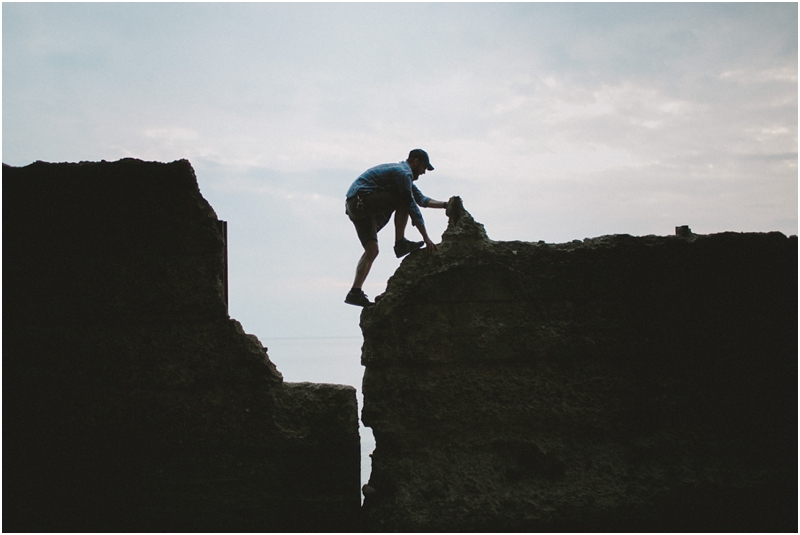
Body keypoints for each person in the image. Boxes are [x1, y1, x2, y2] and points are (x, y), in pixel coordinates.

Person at [344, 149, 449, 307]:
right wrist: (426, 238)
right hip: (362, 199)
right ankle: (400, 243)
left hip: (356, 207)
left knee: (372, 250)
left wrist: (446, 205)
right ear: (415, 161)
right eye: (424, 168)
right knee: (404, 200)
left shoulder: (403, 177)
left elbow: (421, 199)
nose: (423, 173)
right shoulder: (403, 173)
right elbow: (410, 204)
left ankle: (354, 293)